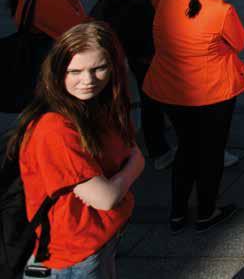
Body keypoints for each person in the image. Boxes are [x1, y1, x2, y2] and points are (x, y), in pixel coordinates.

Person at [10, 22, 144, 278]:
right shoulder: (55, 129)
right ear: (58, 71)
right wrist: (136, 164)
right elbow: (105, 198)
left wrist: (132, 165)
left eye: (99, 68)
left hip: (99, 238)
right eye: (75, 71)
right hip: (74, 254)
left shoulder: (99, 105)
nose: (88, 80)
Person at [143, 0, 244, 233]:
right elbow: (239, 42)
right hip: (213, 90)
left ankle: (178, 211)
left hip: (170, 88)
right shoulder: (220, 10)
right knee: (211, 152)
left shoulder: (166, 2)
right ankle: (206, 209)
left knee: (186, 148)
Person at [124, 0, 180, 170]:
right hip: (162, 52)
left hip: (138, 50)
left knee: (149, 100)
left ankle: (155, 147)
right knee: (175, 101)